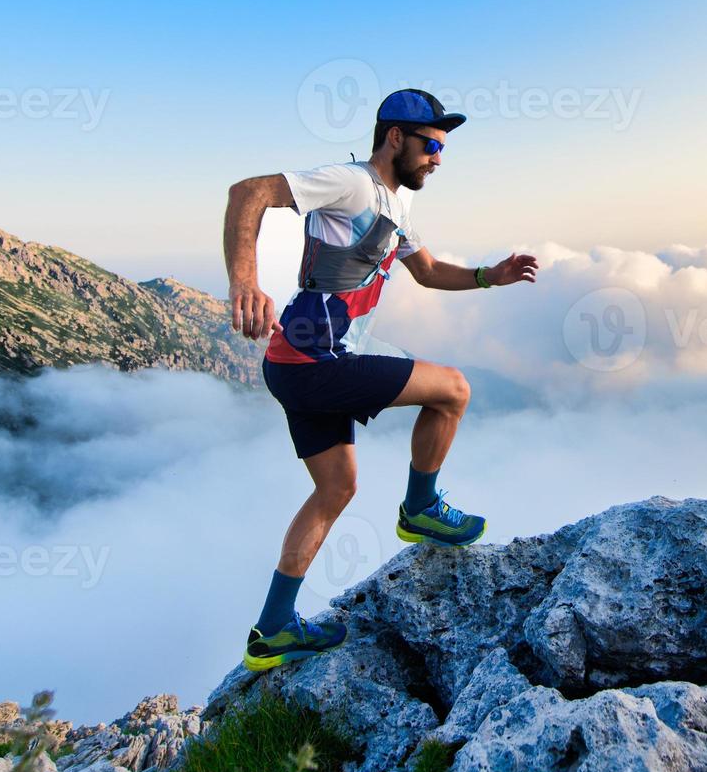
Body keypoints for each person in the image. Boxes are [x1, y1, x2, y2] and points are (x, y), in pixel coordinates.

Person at [223, 88, 539, 672]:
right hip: (316, 358)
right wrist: (246, 280)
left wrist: (487, 276)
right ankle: (420, 509)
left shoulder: (396, 207)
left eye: (442, 147)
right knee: (454, 390)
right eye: (431, 145)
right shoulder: (349, 183)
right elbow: (249, 193)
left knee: (336, 487)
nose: (438, 158)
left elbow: (427, 271)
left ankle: (271, 630)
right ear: (395, 137)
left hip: (297, 361)